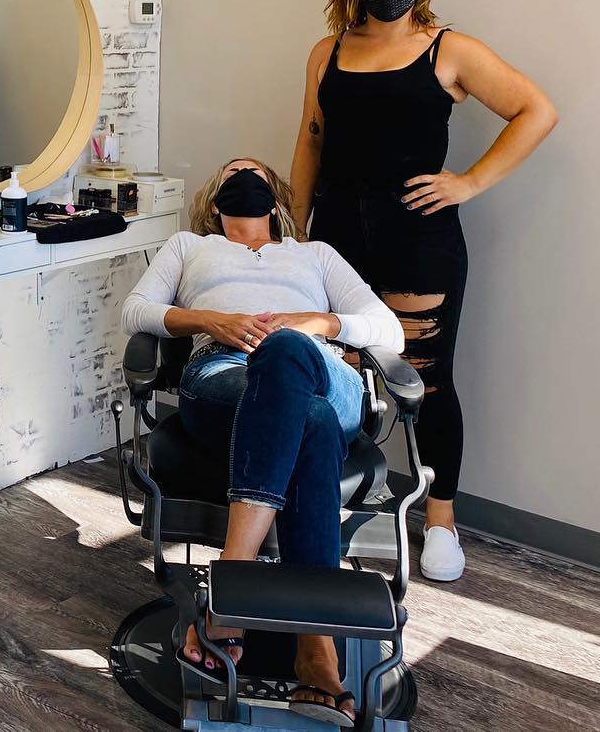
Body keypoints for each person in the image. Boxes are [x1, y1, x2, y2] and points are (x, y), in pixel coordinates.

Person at [289, 0, 557, 583]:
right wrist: (294, 233)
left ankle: (441, 524)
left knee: (425, 383)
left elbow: (536, 111)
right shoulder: (328, 52)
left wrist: (469, 182)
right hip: (336, 239)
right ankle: (335, 507)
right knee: (335, 378)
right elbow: (311, 141)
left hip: (419, 238)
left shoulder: (449, 50)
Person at [123, 157, 402, 727]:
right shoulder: (188, 246)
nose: (242, 175)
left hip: (322, 367)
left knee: (287, 354)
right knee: (315, 422)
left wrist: (316, 324)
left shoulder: (315, 254)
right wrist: (210, 321)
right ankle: (316, 649)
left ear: (275, 198)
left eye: (254, 171)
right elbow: (135, 311)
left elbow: (387, 328)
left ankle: (231, 591)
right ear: (216, 199)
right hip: (225, 376)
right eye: (231, 172)